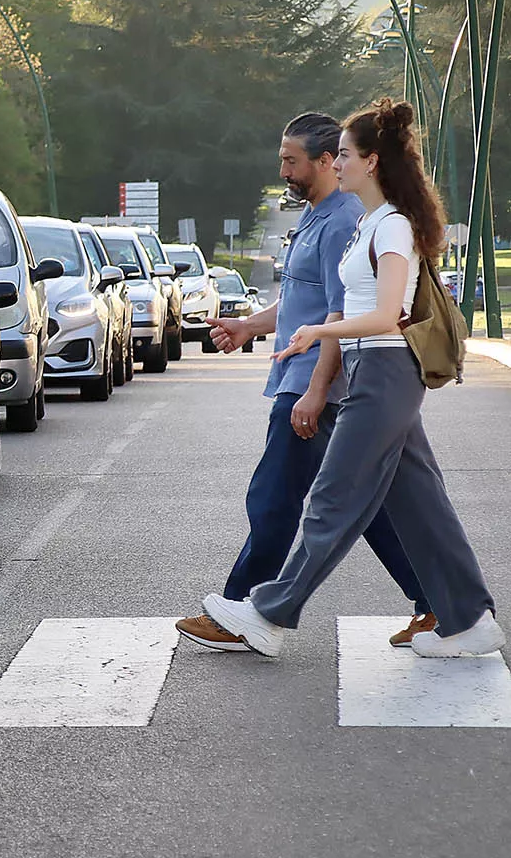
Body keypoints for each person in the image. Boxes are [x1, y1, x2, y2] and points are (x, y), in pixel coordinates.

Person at [202, 100, 501, 658]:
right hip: (373, 367)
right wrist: (298, 329)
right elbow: (347, 304)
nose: (334, 164)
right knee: (420, 503)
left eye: (343, 155)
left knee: (333, 502)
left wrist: (317, 336)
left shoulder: (391, 228)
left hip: (384, 370)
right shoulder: (367, 222)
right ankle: (468, 619)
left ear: (373, 161)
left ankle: (268, 614)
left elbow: (389, 313)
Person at [175, 112, 432, 652]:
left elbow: (340, 316)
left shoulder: (345, 219)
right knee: (370, 507)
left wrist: (316, 390)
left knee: (276, 496)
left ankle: (243, 609)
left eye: (293, 161)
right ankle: (436, 602)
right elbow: (301, 302)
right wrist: (248, 324)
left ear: (326, 162)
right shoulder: (319, 215)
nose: (284, 170)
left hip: (319, 381)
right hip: (311, 376)